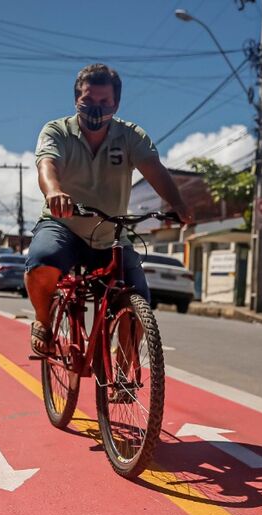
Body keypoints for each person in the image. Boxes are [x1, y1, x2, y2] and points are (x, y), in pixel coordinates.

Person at [25, 63, 194, 356]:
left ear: (115, 103)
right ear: (76, 99)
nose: (96, 108)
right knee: (42, 263)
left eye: (104, 102)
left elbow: (154, 170)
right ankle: (43, 321)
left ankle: (123, 369)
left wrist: (177, 204)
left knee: (137, 297)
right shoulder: (57, 131)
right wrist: (54, 192)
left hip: (109, 235)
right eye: (88, 101)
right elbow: (47, 165)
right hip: (64, 226)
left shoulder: (130, 136)